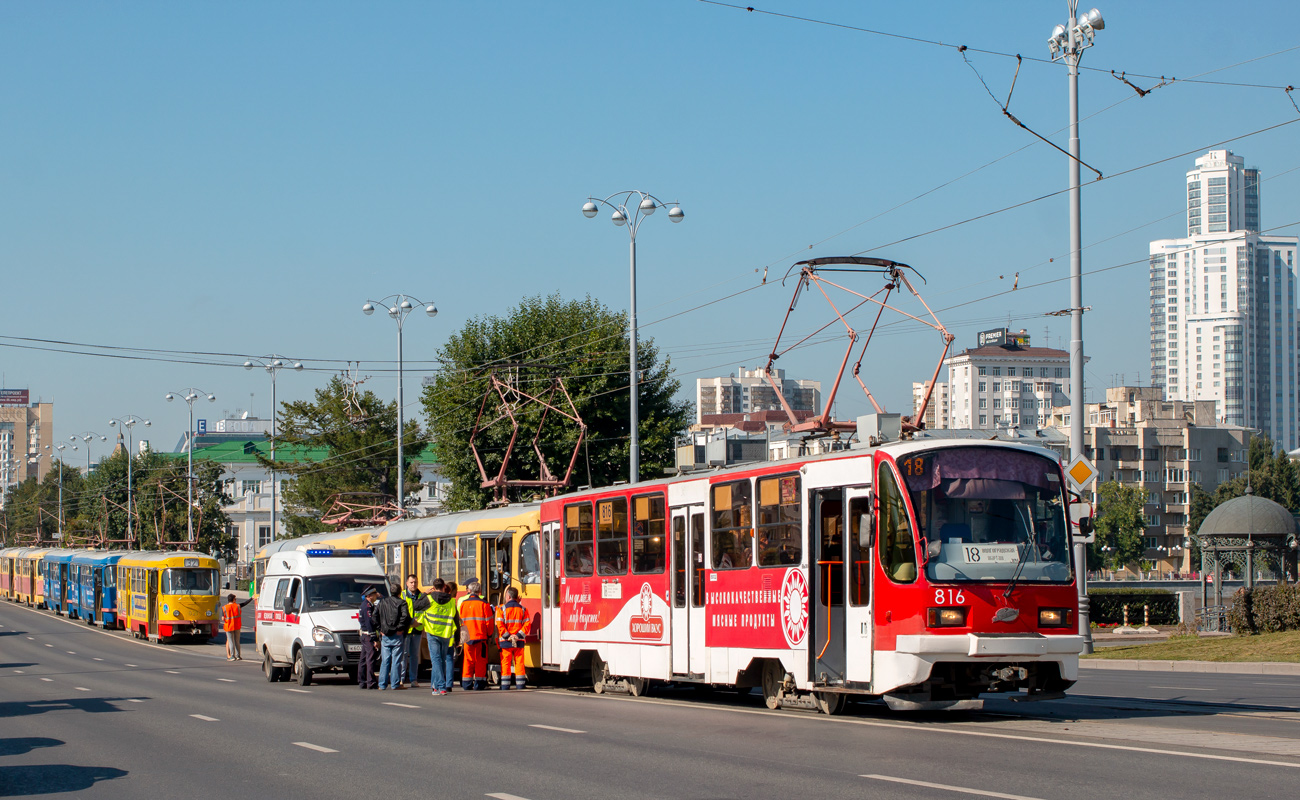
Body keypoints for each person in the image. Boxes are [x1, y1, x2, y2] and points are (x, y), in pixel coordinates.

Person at [418, 578, 459, 696]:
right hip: (446, 634)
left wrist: (424, 594)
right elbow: (456, 621)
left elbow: (416, 606)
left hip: (432, 633)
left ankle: (441, 686)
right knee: (441, 660)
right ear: (444, 587)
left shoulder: (429, 599)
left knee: (436, 660)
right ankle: (435, 687)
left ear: (434, 587)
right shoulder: (451, 602)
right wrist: (457, 638)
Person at [370, 583, 411, 690]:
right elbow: (405, 617)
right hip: (397, 635)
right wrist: (399, 628)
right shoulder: (402, 603)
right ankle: (395, 684)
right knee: (396, 660)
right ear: (399, 592)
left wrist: (381, 629)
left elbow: (374, 617)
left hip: (385, 635)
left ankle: (382, 684)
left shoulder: (383, 602)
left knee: (385, 660)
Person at [458, 579, 494, 690]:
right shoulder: (484, 604)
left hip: (467, 637)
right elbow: (489, 622)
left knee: (468, 660)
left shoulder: (463, 604)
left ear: (469, 591)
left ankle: (466, 684)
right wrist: (489, 634)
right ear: (479, 591)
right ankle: (479, 684)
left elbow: (461, 621)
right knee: (480, 661)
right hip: (481, 637)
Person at [495, 586, 530, 690]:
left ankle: (505, 685)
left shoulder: (502, 609)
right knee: (519, 663)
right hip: (519, 641)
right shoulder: (523, 609)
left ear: (509, 596)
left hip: (506, 642)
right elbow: (527, 625)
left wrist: (508, 636)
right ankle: (520, 684)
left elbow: (500, 625)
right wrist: (517, 636)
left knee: (505, 662)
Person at [401, 574, 424, 688]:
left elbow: (424, 612)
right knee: (404, 655)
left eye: (415, 582)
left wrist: (420, 623)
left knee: (414, 656)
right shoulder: (403, 595)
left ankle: (413, 679)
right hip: (406, 630)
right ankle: (401, 679)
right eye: (411, 582)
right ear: (407, 583)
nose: (413, 584)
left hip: (417, 629)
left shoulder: (421, 596)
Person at [357, 585, 381, 690]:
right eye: (375, 594)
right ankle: (370, 682)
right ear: (370, 595)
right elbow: (370, 623)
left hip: (365, 635)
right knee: (370, 658)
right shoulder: (367, 607)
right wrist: (374, 638)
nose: (377, 595)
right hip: (368, 635)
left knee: (363, 659)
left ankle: (362, 681)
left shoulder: (366, 605)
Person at [221, 593, 253, 661]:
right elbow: (244, 603)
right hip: (237, 626)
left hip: (229, 627)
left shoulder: (224, 608)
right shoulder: (237, 606)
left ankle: (232, 656)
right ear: (233, 600)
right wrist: (251, 598)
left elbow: (223, 618)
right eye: (235, 599)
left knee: (231, 641)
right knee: (237, 641)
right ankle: (238, 656)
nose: (236, 600)